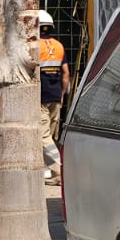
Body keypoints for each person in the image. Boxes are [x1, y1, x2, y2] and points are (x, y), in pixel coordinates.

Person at [38, 10, 71, 180]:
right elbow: (66, 73)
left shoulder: (33, 46)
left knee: (42, 137)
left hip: (40, 97)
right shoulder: (59, 46)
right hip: (56, 95)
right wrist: (63, 93)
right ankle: (54, 173)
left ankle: (60, 171)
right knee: (50, 136)